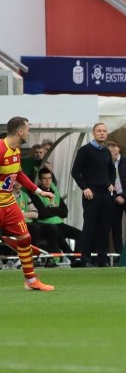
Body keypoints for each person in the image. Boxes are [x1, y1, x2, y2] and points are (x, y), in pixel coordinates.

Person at [0, 117, 55, 290]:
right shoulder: (1, 149)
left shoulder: (15, 150)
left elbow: (20, 174)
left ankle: (31, 281)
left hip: (9, 204)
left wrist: (40, 191)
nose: (29, 132)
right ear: (20, 132)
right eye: (28, 129)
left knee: (25, 238)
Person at [70, 122, 116, 267]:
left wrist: (111, 183)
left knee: (105, 227)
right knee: (89, 227)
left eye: (104, 131)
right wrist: (85, 188)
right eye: (99, 131)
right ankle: (86, 259)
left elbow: (112, 170)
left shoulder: (107, 151)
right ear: (93, 133)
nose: (102, 133)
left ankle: (103, 259)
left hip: (105, 193)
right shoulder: (85, 150)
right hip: (91, 193)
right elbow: (75, 172)